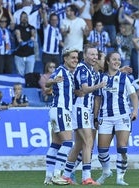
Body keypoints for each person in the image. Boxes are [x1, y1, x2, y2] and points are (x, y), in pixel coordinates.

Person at [59, 44, 106, 185]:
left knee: (79, 145)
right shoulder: (82, 69)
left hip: (85, 110)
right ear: (84, 56)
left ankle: (66, 175)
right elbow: (84, 89)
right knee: (88, 142)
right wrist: (98, 86)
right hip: (80, 108)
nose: (95, 57)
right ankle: (86, 177)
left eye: (96, 55)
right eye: (92, 54)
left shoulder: (91, 70)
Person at [94, 51, 138, 185]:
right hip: (105, 117)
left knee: (122, 147)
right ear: (108, 61)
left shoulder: (124, 78)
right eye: (114, 59)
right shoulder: (101, 78)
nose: (117, 62)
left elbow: (133, 95)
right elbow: (97, 99)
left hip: (122, 116)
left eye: (119, 59)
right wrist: (95, 117)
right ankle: (106, 171)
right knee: (101, 151)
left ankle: (120, 177)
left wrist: (135, 110)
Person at [43, 48, 78, 185]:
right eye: (72, 57)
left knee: (55, 144)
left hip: (56, 110)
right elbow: (47, 83)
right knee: (68, 143)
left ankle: (48, 176)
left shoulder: (68, 74)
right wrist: (53, 81)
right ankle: (58, 174)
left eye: (76, 58)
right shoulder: (60, 71)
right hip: (60, 110)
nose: (75, 60)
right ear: (65, 59)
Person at [14, 11, 36, 76]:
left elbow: (33, 35)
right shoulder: (17, 28)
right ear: (20, 19)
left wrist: (32, 38)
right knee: (20, 75)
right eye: (22, 17)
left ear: (28, 18)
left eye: (25, 17)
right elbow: (18, 37)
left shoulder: (31, 27)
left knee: (29, 75)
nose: (24, 19)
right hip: (19, 55)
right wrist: (21, 41)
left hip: (30, 55)